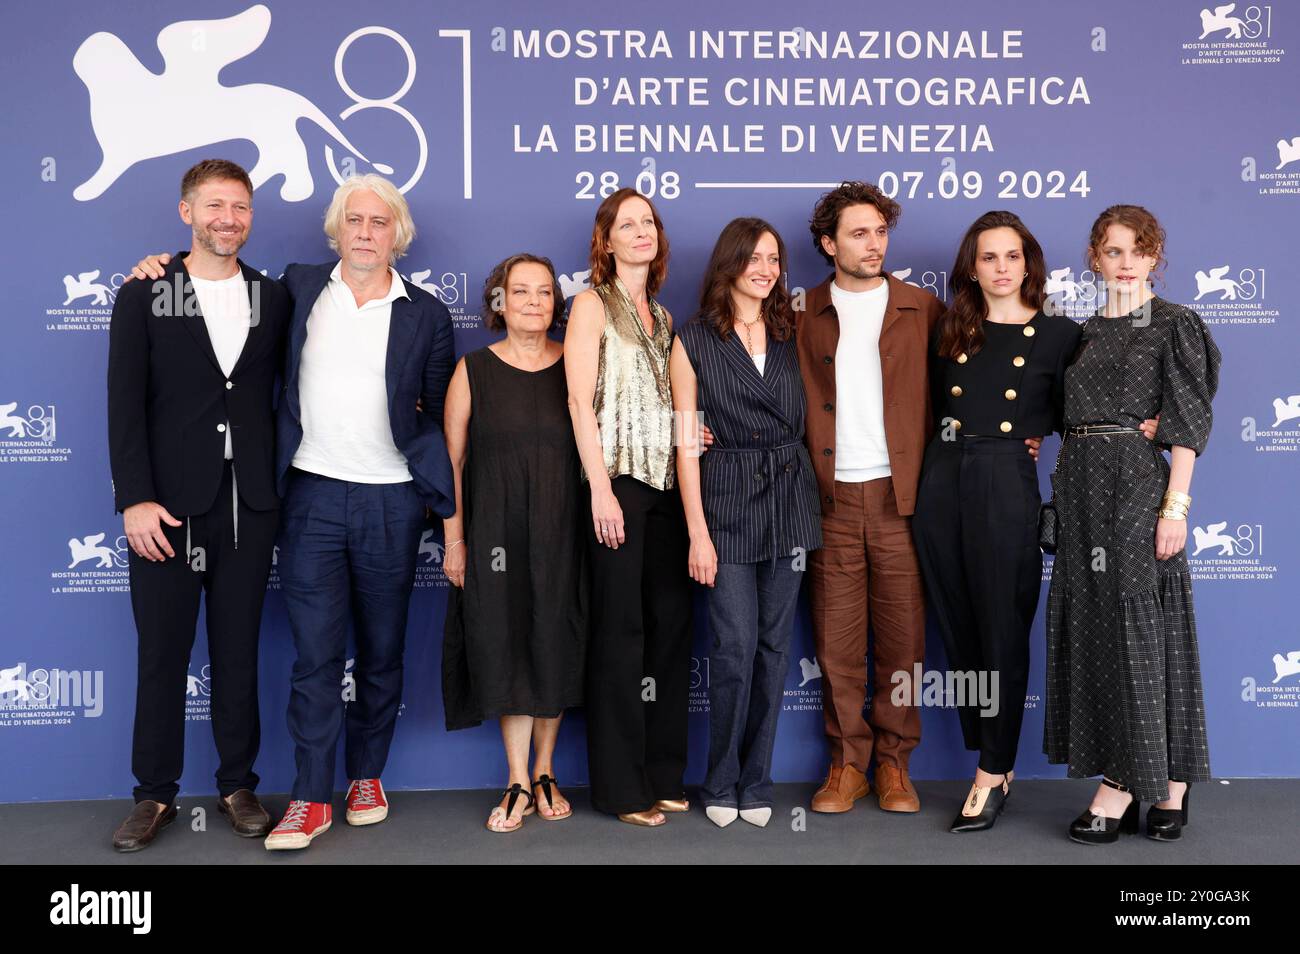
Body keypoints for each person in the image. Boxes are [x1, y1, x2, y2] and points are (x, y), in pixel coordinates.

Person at [108, 159, 290, 851]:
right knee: (162, 655)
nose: (229, 219)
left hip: (248, 506)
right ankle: (153, 796)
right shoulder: (147, 293)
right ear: (187, 212)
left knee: (237, 652)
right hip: (166, 512)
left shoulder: (273, 298)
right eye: (215, 205)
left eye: (240, 207)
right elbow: (123, 406)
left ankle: (237, 785)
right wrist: (135, 500)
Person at [1045, 205, 1219, 845]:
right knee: (1098, 627)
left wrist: (1175, 507)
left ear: (1154, 258)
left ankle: (1122, 784)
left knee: (1141, 628)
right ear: (1095, 257)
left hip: (1138, 489)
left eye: (1135, 252)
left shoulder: (1174, 324)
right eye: (1111, 251)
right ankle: (1171, 779)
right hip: (1083, 486)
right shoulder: (1082, 332)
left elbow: (1186, 424)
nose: (1123, 263)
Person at [911, 211, 1084, 831]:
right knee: (960, 626)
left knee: (1002, 627)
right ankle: (993, 756)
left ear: (1029, 264)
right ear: (972, 267)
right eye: (989, 257)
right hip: (942, 478)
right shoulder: (950, 329)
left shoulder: (1061, 335)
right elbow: (919, 406)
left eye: (1013, 256)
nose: (1002, 268)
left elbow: (1080, 418)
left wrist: (1140, 428)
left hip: (1006, 480)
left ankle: (991, 769)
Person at [671, 218, 822, 828]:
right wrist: (698, 533)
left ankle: (757, 781)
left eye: (774, 259)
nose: (766, 269)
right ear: (729, 264)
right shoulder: (692, 339)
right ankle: (720, 781)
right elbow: (685, 442)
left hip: (790, 502)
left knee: (773, 648)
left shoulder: (795, 331)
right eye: (754, 258)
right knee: (732, 648)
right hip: (725, 504)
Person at [441, 253, 588, 832]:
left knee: (553, 640)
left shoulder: (575, 367)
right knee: (507, 646)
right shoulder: (472, 369)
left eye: (545, 292)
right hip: (495, 532)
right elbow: (451, 462)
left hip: (564, 529)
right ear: (498, 302)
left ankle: (547, 770)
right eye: (519, 291)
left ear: (557, 303)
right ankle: (517, 781)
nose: (533, 301)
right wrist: (455, 540)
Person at [564, 188, 692, 827]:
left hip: (668, 488)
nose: (641, 231)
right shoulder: (591, 304)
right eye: (627, 223)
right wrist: (600, 489)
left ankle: (663, 774)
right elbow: (580, 403)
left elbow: (671, 406)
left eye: (649, 222)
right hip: (616, 485)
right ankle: (620, 789)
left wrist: (693, 435)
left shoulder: (664, 317)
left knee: (668, 631)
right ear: (605, 240)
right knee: (620, 636)